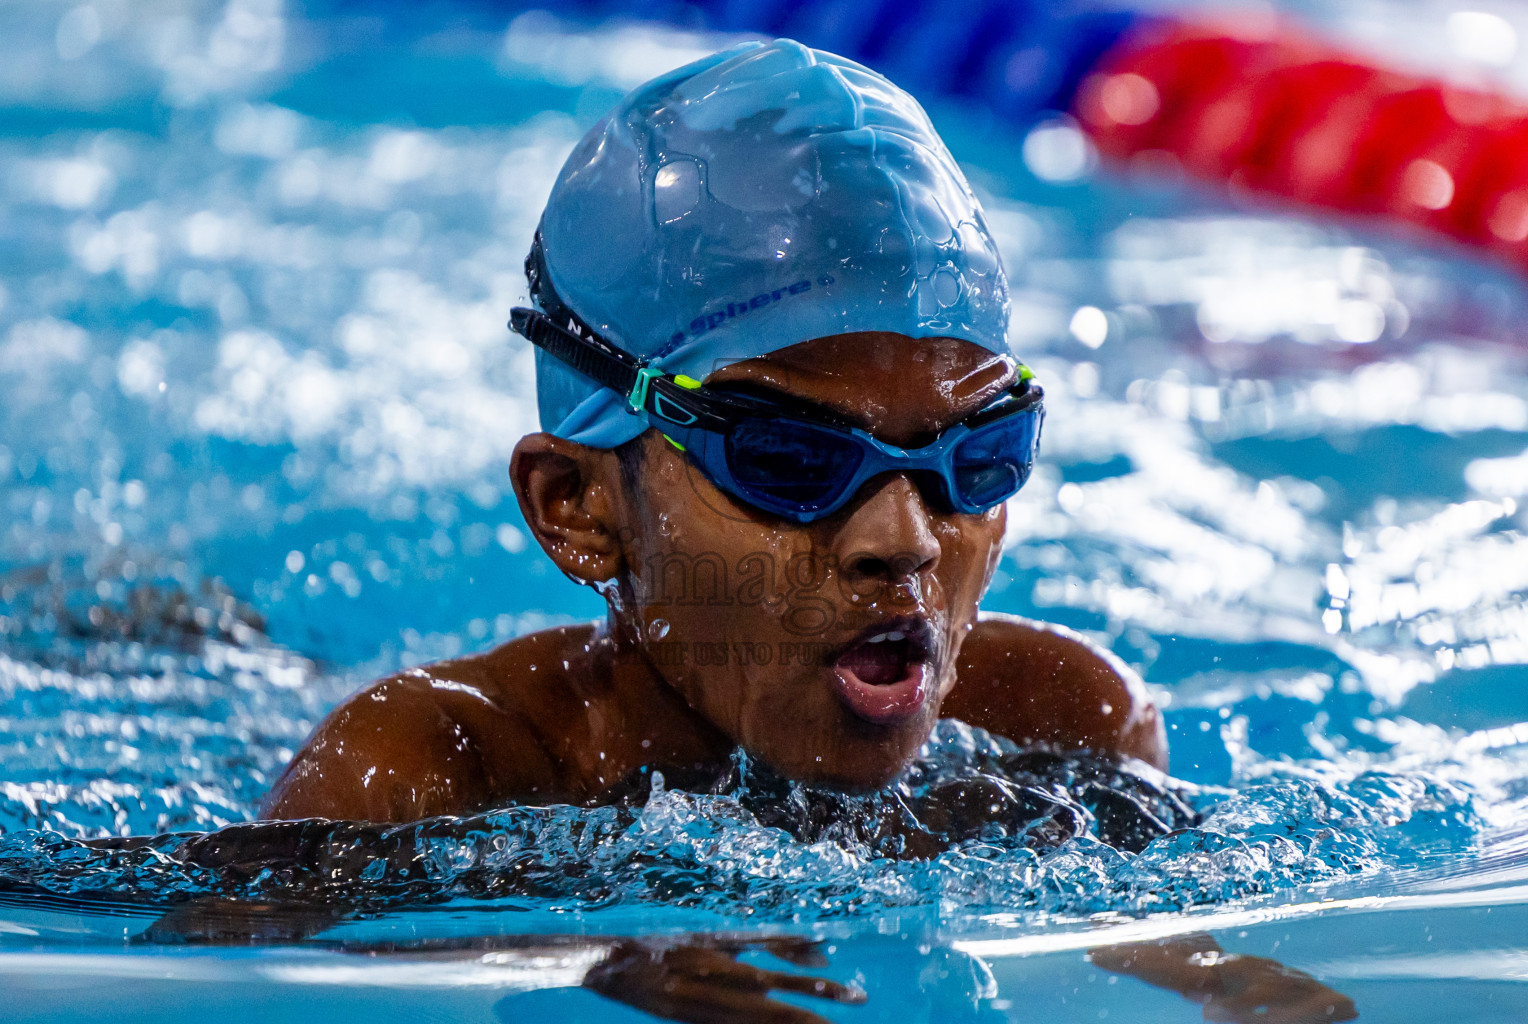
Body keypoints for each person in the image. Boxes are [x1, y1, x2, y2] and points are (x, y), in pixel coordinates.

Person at [259, 38, 1166, 823]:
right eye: (791, 458)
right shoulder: (427, 776)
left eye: (979, 454)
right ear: (575, 505)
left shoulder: (1065, 735)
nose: (906, 541)